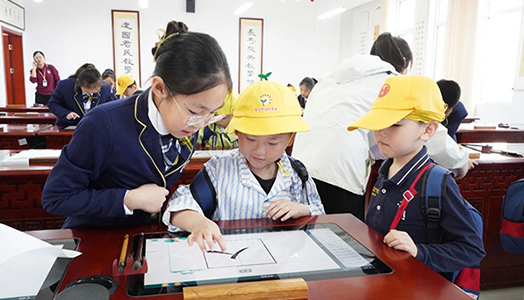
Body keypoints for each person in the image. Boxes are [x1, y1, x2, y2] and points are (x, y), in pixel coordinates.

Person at [42, 20, 232, 228]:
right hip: (98, 239)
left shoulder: (187, 124)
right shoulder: (104, 124)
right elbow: (57, 197)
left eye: (212, 113)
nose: (201, 123)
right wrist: (127, 199)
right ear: (159, 88)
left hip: (147, 237)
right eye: (195, 111)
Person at [292, 32, 472, 221]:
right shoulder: (390, 83)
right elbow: (425, 125)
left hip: (302, 166)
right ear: (403, 62)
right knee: (342, 241)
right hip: (341, 174)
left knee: (310, 235)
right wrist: (460, 160)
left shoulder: (330, 78)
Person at [347, 75, 485, 287]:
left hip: (418, 289)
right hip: (382, 284)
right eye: (377, 123)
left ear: (428, 130)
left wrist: (420, 251)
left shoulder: (437, 184)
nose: (381, 132)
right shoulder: (383, 172)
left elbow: (472, 249)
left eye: (394, 125)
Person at [163, 81, 325, 251]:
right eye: (250, 139)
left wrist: (303, 209)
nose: (260, 151)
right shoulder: (219, 169)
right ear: (237, 132)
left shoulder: (297, 173)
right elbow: (178, 207)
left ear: (289, 139)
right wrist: (199, 223)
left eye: (273, 142)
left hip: (282, 261)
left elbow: (319, 213)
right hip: (230, 259)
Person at [47, 63, 114, 127]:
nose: (91, 94)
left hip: (96, 126)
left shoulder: (105, 87)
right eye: (87, 90)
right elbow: (52, 103)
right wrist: (66, 113)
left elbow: (110, 107)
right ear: (79, 83)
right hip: (71, 125)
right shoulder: (65, 86)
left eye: (95, 90)